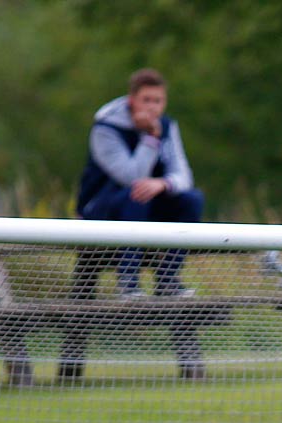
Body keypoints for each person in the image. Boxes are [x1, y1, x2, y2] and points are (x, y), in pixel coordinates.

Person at [76, 68, 205, 299]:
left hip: (145, 209)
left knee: (192, 199)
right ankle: (129, 283)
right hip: (102, 211)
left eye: (158, 101)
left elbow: (184, 175)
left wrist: (163, 184)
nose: (152, 107)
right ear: (132, 100)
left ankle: (168, 280)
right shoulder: (106, 127)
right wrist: (151, 138)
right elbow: (131, 176)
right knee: (136, 194)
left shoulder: (167, 125)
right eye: (146, 100)